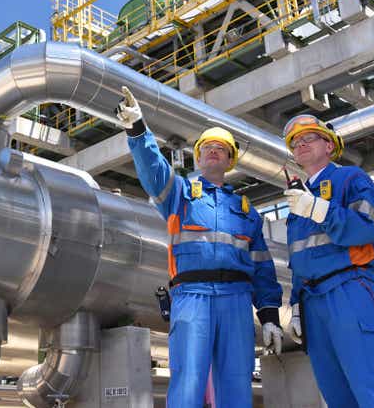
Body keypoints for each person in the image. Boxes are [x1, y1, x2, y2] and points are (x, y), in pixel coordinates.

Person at [116, 86, 283, 408]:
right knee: (188, 379)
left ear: (230, 160)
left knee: (236, 380)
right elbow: (154, 172)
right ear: (198, 155)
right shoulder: (179, 193)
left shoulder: (247, 211)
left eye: (221, 148)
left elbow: (263, 268)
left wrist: (271, 316)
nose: (213, 151)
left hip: (236, 299)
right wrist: (137, 129)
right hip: (192, 296)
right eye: (207, 147)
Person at [282, 114, 374, 407]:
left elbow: (364, 228)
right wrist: (296, 304)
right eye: (295, 143)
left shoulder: (351, 178)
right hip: (311, 303)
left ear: (329, 145)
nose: (301, 145)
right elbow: (300, 257)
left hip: (349, 289)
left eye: (308, 138)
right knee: (336, 393)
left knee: (372, 387)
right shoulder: (297, 202)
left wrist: (319, 209)